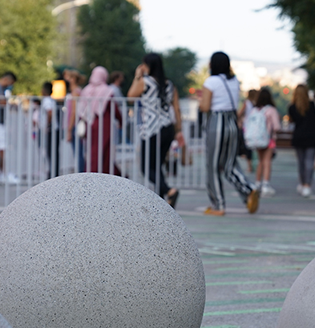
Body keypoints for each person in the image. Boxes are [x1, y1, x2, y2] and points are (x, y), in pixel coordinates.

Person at [199, 51, 259, 216]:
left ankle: (218, 204)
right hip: (232, 123)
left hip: (217, 123)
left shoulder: (211, 81)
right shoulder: (234, 82)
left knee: (213, 166)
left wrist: (200, 101)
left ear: (213, 64)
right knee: (230, 164)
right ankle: (249, 190)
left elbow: (205, 107)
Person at [127, 53, 185, 207]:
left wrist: (137, 76)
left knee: (146, 167)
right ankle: (161, 200)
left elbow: (130, 96)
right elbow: (177, 109)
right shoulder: (170, 84)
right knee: (157, 165)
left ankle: (169, 190)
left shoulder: (145, 82)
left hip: (151, 130)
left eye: (144, 64)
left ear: (149, 65)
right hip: (168, 129)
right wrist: (179, 130)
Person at [80, 66, 122, 175]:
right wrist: (121, 121)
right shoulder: (107, 90)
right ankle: (92, 176)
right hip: (103, 124)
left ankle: (108, 175)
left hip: (89, 123)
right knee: (101, 151)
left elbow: (81, 109)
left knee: (94, 151)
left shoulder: (86, 90)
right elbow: (114, 108)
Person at [288, 84, 315, 198]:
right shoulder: (313, 105)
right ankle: (307, 185)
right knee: (309, 161)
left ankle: (302, 183)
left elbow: (291, 122)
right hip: (312, 136)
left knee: (301, 162)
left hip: (298, 136)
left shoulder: (292, 107)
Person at [243, 87, 280, 197]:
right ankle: (266, 185)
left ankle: (258, 183)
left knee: (260, 161)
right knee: (267, 161)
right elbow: (277, 126)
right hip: (268, 139)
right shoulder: (271, 110)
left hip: (257, 138)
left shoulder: (255, 110)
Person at [64, 70, 85, 172]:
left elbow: (73, 112)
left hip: (74, 125)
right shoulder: (77, 91)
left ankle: (81, 174)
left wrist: (69, 129)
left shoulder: (75, 92)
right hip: (75, 124)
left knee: (78, 152)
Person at [39, 81, 60, 180]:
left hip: (50, 129)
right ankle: (53, 172)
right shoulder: (51, 100)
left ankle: (52, 173)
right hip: (54, 129)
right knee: (54, 152)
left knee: (50, 152)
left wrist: (47, 124)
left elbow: (49, 112)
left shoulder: (47, 100)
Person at [237, 89, 258, 173]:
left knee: (247, 146)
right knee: (255, 146)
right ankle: (256, 165)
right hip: (256, 127)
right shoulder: (258, 104)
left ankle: (249, 165)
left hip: (247, 127)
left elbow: (240, 113)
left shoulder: (247, 103)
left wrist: (240, 119)